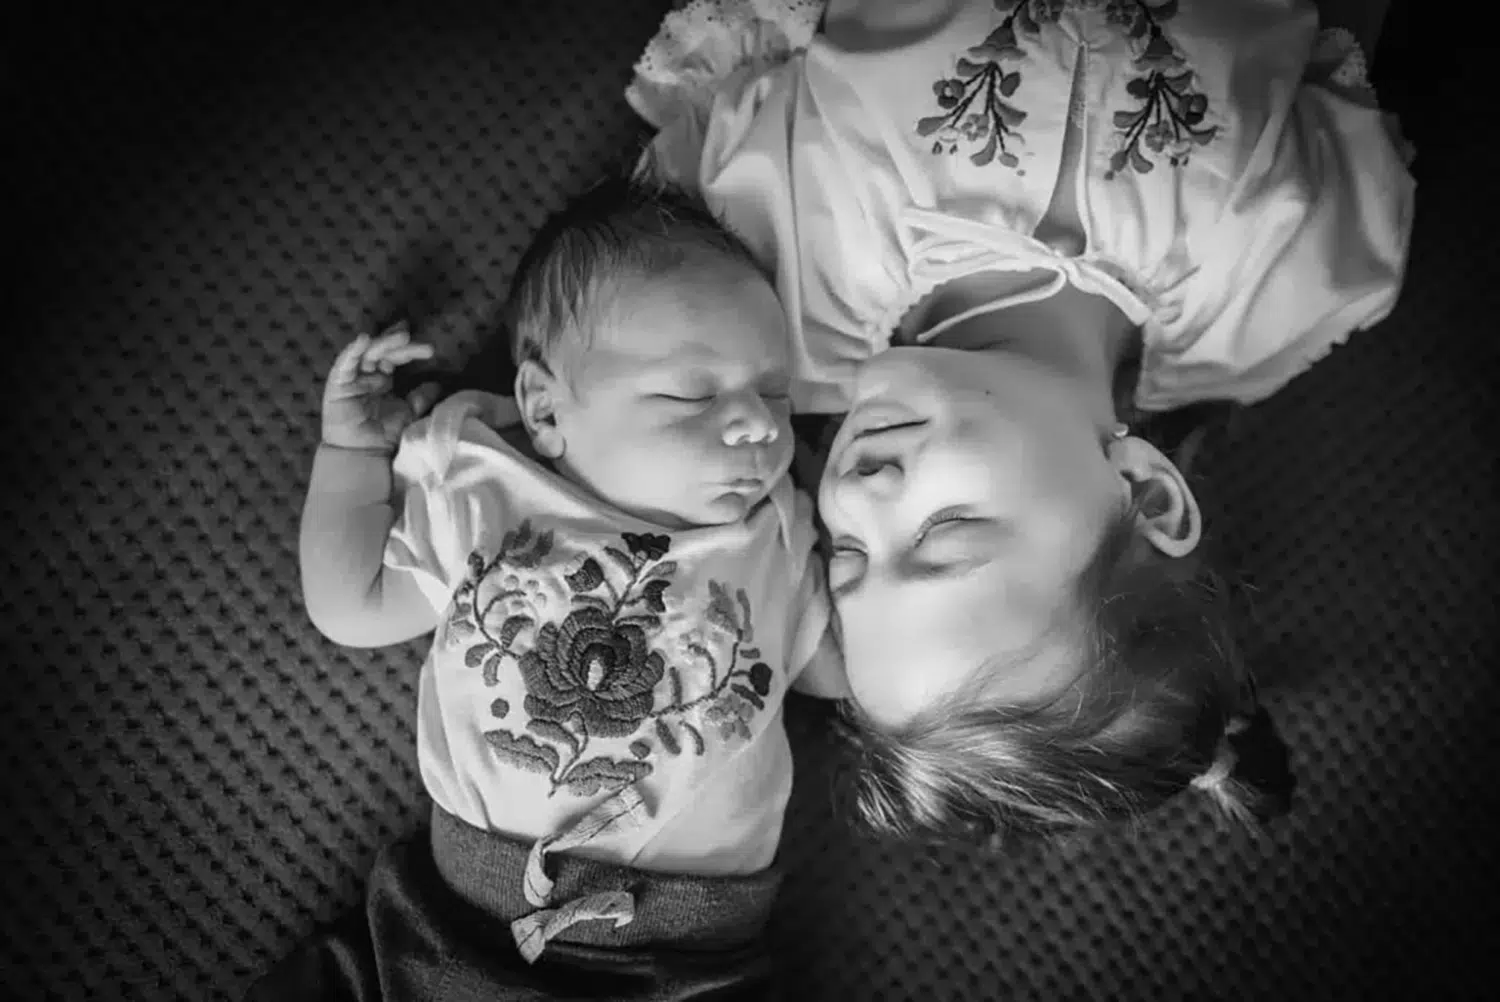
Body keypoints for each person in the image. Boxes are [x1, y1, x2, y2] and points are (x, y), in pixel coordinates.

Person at [628, 0, 1414, 841]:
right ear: (1148, 495)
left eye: (848, 555)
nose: (860, 493)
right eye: (947, 534)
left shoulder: (764, 285)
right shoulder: (1275, 283)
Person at [252, 178, 844, 1001]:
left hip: (694, 960)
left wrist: (866, 527)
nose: (759, 424)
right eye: (692, 392)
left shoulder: (778, 533)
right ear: (546, 408)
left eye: (775, 392)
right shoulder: (487, 491)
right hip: (469, 924)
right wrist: (351, 456)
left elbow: (841, 674)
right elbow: (350, 605)